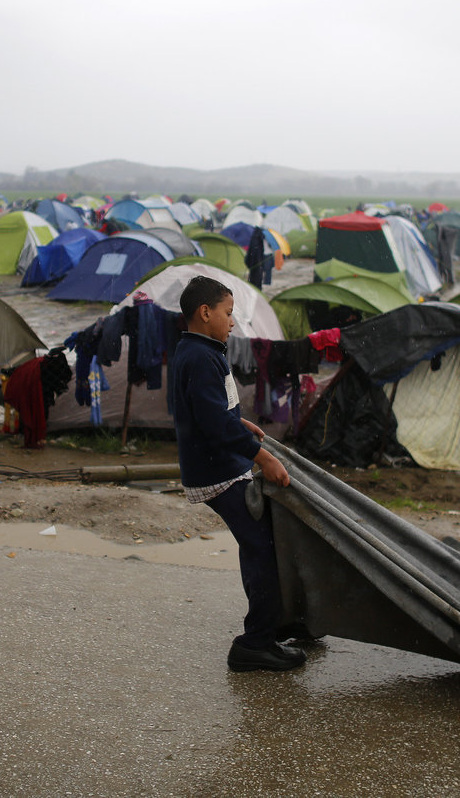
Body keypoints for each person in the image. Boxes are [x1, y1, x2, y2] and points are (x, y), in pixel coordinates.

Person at [172, 276, 305, 673]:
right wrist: (262, 458)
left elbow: (210, 411)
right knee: (262, 546)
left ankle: (271, 624)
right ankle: (255, 643)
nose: (233, 322)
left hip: (222, 462)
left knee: (258, 543)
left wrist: (239, 422)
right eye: (228, 313)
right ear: (205, 312)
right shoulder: (199, 356)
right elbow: (210, 421)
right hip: (218, 470)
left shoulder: (201, 349)